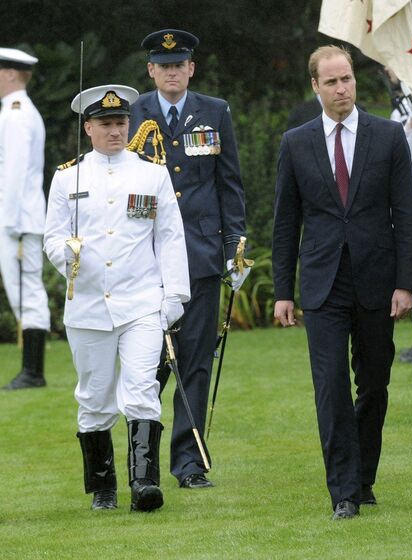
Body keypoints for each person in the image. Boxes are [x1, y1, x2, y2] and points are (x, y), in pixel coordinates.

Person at [272, 45, 412, 520]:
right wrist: (282, 292)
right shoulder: (296, 143)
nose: (341, 89)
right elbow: (284, 223)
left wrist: (406, 282)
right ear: (315, 86)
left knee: (374, 384)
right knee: (330, 384)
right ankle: (344, 492)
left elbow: (407, 215)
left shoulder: (388, 136)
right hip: (322, 284)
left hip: (377, 279)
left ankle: (363, 474)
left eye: (348, 79)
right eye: (331, 81)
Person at [43, 84, 190, 512]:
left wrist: (174, 294)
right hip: (88, 304)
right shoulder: (67, 177)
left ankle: (144, 483)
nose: (114, 131)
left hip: (141, 299)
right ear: (88, 127)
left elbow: (170, 237)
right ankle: (103, 487)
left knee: (142, 388)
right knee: (94, 396)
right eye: (105, 124)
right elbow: (51, 237)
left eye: (121, 122)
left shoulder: (151, 174)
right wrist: (63, 254)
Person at [129, 29, 248, 489]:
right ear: (151, 70)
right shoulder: (131, 113)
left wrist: (234, 248)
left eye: (180, 64)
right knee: (148, 364)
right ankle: (143, 463)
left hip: (200, 255)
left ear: (191, 69)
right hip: (145, 259)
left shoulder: (214, 111)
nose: (173, 71)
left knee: (195, 360)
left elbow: (229, 184)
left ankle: (190, 463)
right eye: (164, 64)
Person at [0, 48, 50, 390]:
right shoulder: (16, 110)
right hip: (21, 217)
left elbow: (15, 172)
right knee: (25, 291)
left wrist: (11, 223)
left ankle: (33, 372)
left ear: (9, 73)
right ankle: (31, 369)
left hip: (18, 219)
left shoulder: (16, 113)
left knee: (26, 292)